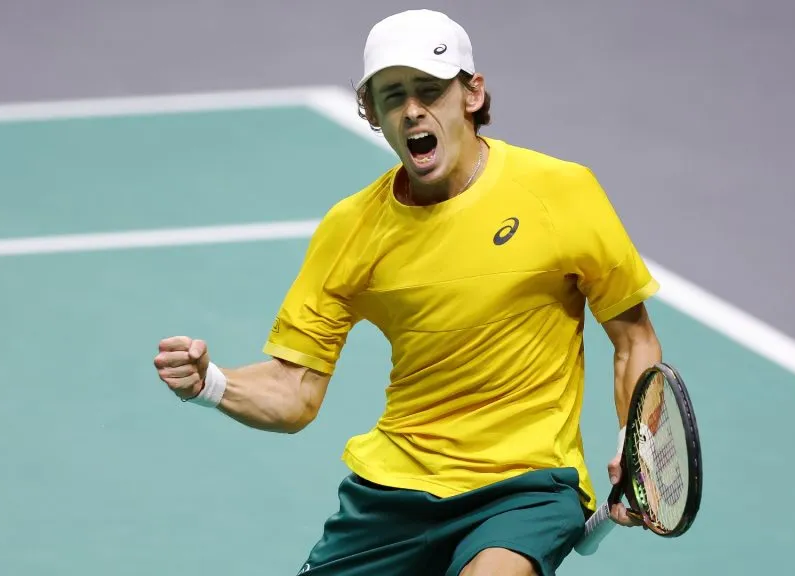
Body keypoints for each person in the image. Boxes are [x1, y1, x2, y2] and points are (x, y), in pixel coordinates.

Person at [153, 8, 664, 576]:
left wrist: (634, 440)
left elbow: (632, 338)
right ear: (370, 111)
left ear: (472, 94)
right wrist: (210, 384)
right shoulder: (352, 230)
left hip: (525, 484)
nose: (414, 109)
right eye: (393, 95)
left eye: (431, 90)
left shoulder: (560, 193)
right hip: (394, 492)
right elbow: (295, 390)